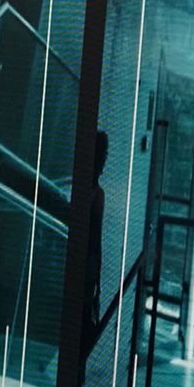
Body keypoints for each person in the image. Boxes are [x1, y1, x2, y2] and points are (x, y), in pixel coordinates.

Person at [82, 131, 110, 356]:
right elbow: (95, 241)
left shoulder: (83, 189)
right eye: (104, 154)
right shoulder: (96, 195)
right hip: (87, 268)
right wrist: (96, 283)